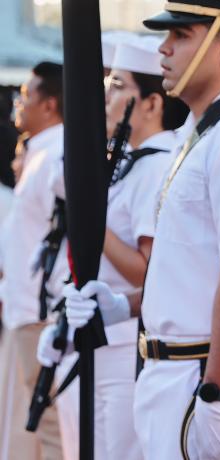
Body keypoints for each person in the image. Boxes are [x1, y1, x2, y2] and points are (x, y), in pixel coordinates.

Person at [60, 0, 220, 458]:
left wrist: (215, 398)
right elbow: (191, 273)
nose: (163, 48)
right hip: (169, 372)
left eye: (180, 36)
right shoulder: (200, 134)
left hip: (201, 375)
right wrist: (122, 306)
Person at [37, 36, 189, 460]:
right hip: (90, 335)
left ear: (153, 105)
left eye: (119, 86)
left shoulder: (156, 164)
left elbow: (150, 270)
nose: (107, 95)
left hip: (120, 342)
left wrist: (90, 221)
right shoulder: (129, 162)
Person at [0, 62, 67, 460]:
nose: (18, 106)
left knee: (50, 425)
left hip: (40, 312)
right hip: (25, 309)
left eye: (27, 97)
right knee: (33, 424)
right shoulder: (41, 152)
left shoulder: (57, 154)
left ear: (50, 104)